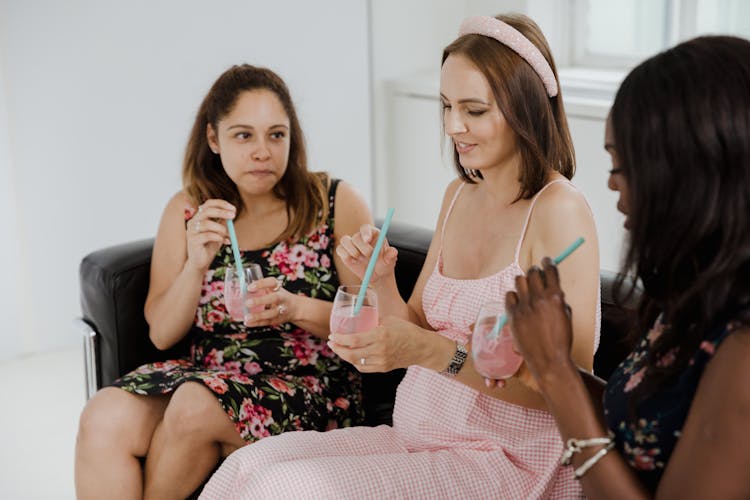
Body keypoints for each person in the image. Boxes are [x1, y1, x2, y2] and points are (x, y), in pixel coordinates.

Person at [200, 14, 601, 499]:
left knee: (288, 487)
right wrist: (384, 279)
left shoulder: (559, 211)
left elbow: (571, 391)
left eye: (473, 110)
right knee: (246, 468)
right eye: (447, 106)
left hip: (505, 459)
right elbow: (412, 325)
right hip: (419, 438)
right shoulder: (459, 194)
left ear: (527, 109)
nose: (453, 126)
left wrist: (435, 353)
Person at [74, 64, 373, 499]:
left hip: (308, 387)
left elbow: (370, 322)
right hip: (207, 374)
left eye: (276, 134)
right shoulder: (190, 207)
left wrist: (296, 308)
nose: (262, 152)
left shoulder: (332, 201)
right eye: (243, 135)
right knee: (104, 414)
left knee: (196, 404)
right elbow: (161, 333)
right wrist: (195, 265)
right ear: (214, 139)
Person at [505, 35, 750, 498]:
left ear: (687, 175)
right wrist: (546, 361)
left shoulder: (743, 350)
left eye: (622, 166)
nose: (612, 186)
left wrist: (558, 372)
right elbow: (647, 423)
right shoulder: (697, 293)